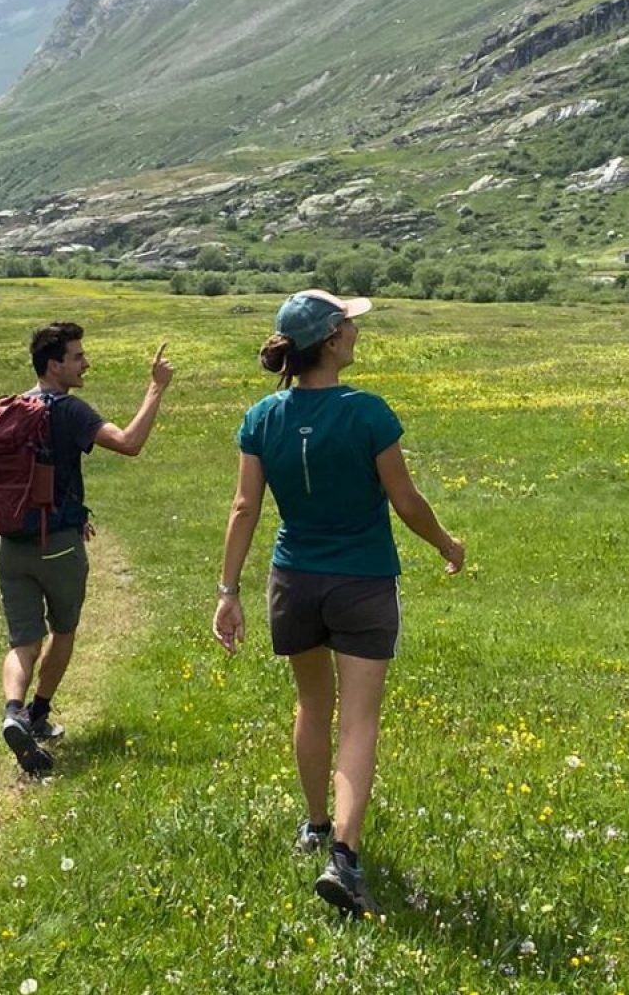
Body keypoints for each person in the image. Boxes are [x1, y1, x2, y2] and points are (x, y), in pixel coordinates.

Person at [212, 290, 465, 917]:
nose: (356, 335)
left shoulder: (260, 417)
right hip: (362, 582)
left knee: (311, 703)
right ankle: (345, 861)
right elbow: (405, 501)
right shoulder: (368, 413)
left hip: (293, 580)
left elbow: (245, 508)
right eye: (348, 326)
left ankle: (317, 825)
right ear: (329, 340)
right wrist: (446, 543)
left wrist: (227, 591)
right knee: (358, 719)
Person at [0, 322, 172, 776]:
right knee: (65, 629)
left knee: (23, 640)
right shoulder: (69, 410)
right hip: (57, 545)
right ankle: (38, 714)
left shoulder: (11, 408)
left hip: (10, 544)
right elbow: (129, 444)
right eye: (77, 356)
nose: (85, 362)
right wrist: (156, 388)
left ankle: (12, 711)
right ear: (54, 366)